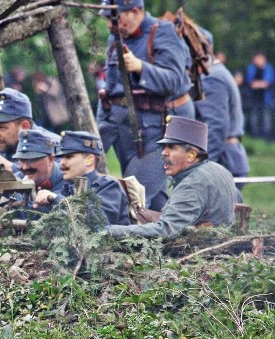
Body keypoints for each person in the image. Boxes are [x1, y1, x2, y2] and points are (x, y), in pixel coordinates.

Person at [96, 0, 194, 212]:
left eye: (116, 17)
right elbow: (111, 90)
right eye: (108, 19)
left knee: (133, 194)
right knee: (151, 197)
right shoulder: (116, 37)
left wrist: (140, 67)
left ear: (136, 11)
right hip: (128, 133)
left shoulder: (163, 32)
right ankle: (171, 238)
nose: (110, 25)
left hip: (162, 131)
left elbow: (174, 81)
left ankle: (130, 241)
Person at [109, 116, 238, 239]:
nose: (164, 152)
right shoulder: (219, 170)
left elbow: (166, 231)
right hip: (222, 245)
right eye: (164, 147)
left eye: (171, 147)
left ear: (192, 155)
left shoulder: (193, 184)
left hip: (200, 253)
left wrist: (112, 231)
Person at [194, 29, 250, 186]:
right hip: (226, 158)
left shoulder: (211, 77)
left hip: (223, 161)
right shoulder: (214, 72)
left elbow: (215, 127)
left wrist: (202, 171)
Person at [51, 130, 130, 227]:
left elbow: (98, 225)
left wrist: (57, 200)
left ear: (89, 160)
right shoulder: (66, 189)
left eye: (68, 157)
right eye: (61, 157)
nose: (61, 163)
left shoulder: (109, 187)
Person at [0, 87, 59, 175]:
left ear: (24, 126)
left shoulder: (53, 146)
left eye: (2, 128)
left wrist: (11, 168)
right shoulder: (7, 149)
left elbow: (59, 178)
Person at [12, 129, 70, 213]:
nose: (24, 167)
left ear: (51, 159)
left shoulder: (67, 181)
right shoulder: (15, 182)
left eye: (32, 160)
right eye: (21, 160)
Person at [245, 52, 275, 140]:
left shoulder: (269, 68)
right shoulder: (251, 68)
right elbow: (250, 82)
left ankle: (266, 136)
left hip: (266, 98)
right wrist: (261, 84)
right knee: (254, 116)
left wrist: (258, 84)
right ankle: (255, 136)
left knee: (266, 117)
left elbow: (268, 82)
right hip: (254, 98)